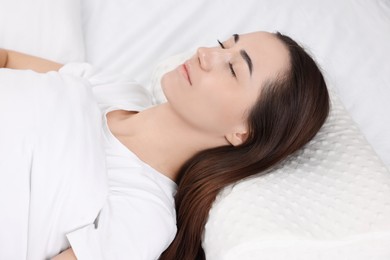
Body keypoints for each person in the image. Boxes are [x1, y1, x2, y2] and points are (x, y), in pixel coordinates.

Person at [0, 31, 329, 260]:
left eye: (232, 68)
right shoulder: (118, 88)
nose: (205, 53)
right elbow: (7, 58)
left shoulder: (146, 215)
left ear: (243, 131)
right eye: (222, 44)